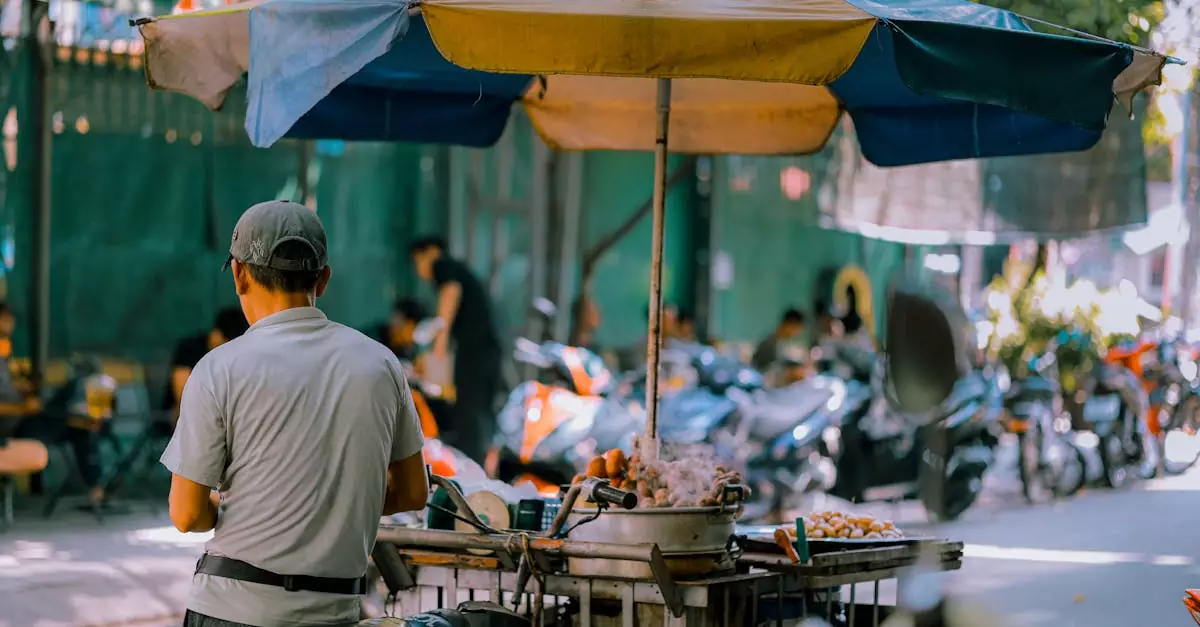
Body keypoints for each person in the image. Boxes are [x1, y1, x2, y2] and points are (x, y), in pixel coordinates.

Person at [163, 200, 428, 627]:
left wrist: (247, 508)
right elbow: (414, 492)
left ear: (239, 275)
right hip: (335, 612)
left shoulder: (219, 368)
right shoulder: (381, 365)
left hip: (232, 609)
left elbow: (187, 514)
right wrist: (332, 506)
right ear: (323, 279)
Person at [409, 236, 501, 462]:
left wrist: (439, 346)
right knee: (475, 412)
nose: (418, 270)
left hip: (475, 353)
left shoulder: (443, 265)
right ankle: (479, 462)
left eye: (417, 261)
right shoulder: (461, 270)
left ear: (431, 252)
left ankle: (470, 467)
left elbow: (451, 291)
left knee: (468, 413)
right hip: (484, 352)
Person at [163, 307, 250, 425]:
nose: (227, 348)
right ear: (215, 334)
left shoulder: (236, 357)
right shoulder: (190, 349)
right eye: (226, 342)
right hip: (186, 420)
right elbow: (181, 389)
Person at [370, 298, 428, 363]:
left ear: (411, 326)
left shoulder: (406, 361)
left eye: (399, 317)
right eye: (395, 314)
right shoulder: (378, 332)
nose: (392, 319)